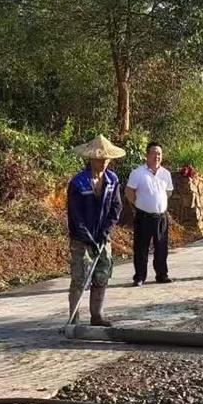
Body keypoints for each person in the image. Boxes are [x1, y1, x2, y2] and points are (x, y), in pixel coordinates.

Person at [66, 134, 124, 326]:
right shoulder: (78, 183)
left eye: (107, 159)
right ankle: (73, 319)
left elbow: (116, 208)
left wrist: (106, 232)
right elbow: (75, 214)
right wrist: (88, 237)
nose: (104, 163)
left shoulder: (112, 180)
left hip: (102, 237)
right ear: (91, 159)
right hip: (81, 238)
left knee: (102, 274)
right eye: (100, 159)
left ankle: (96, 315)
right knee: (80, 277)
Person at [126, 141, 174, 286]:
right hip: (143, 216)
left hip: (161, 217)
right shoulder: (137, 173)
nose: (156, 156)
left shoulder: (166, 174)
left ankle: (162, 274)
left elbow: (168, 192)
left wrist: (157, 203)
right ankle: (140, 276)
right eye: (153, 153)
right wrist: (140, 204)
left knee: (162, 247)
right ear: (147, 155)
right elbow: (129, 192)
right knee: (141, 248)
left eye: (159, 153)